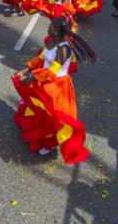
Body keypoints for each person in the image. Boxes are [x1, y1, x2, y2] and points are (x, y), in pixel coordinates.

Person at [12, 16, 95, 161]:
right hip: (42, 80)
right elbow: (40, 59)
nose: (47, 27)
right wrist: (24, 70)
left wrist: (30, 78)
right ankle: (36, 137)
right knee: (35, 110)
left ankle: (49, 143)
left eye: (50, 26)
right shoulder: (51, 41)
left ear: (56, 30)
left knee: (52, 117)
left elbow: (52, 72)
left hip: (56, 87)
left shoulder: (63, 49)